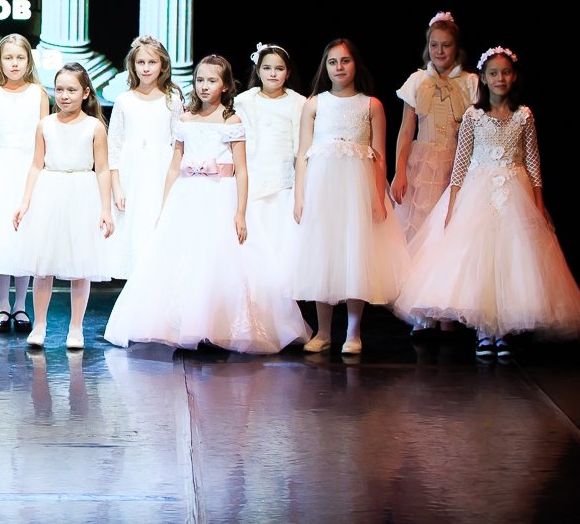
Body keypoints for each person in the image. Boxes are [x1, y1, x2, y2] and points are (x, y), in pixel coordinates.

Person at [394, 47, 580, 358]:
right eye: (493, 73)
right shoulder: (474, 116)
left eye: (505, 72)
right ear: (484, 79)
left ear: (514, 77)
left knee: (510, 260)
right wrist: (453, 205)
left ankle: (501, 332)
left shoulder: (523, 116)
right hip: (478, 192)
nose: (500, 78)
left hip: (514, 193)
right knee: (481, 261)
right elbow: (461, 165)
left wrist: (538, 205)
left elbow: (533, 164)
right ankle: (484, 332)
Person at [104, 55, 309, 354]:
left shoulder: (232, 121)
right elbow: (174, 167)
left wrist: (240, 212)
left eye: (212, 80)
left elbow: (242, 170)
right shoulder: (186, 120)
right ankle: (183, 324)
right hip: (187, 196)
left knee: (218, 260)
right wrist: (165, 207)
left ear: (225, 86)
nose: (204, 86)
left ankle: (217, 325)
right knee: (186, 257)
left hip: (220, 196)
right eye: (200, 80)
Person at [292, 39, 410, 355]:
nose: (339, 67)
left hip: (358, 189)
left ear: (355, 64)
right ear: (325, 67)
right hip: (323, 188)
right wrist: (299, 196)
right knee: (324, 254)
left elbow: (380, 156)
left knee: (357, 253)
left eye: (345, 61)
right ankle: (323, 332)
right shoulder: (314, 104)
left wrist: (377, 198)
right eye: (333, 62)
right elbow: (302, 154)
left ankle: (353, 333)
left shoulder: (371, 105)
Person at [11, 63, 115, 350]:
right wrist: (25, 201)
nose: (65, 96)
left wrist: (106, 209)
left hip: (82, 193)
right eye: (59, 89)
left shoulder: (94, 127)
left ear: (85, 93)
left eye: (72, 90)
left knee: (80, 263)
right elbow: (36, 165)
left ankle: (76, 328)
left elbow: (102, 169)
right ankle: (40, 325)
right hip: (50, 191)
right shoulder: (45, 125)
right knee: (42, 264)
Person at [390, 12, 479, 280]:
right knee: (420, 225)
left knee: (451, 226)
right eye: (434, 45)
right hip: (424, 162)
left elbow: (478, 129)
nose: (439, 51)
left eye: (446, 45)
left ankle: (444, 292)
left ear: (457, 47)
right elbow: (406, 131)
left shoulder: (470, 82)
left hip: (458, 163)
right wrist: (400, 171)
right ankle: (417, 294)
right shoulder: (418, 81)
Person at [0, 33, 50, 336]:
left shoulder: (38, 93)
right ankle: (3, 304)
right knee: (2, 238)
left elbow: (45, 136)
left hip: (28, 169)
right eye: (8, 58)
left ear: (28, 61)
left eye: (20, 58)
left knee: (24, 236)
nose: (14, 63)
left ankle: (21, 305)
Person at [107, 35, 182, 278]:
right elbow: (114, 146)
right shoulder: (124, 100)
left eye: (152, 62)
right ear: (133, 65)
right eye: (141, 62)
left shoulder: (172, 101)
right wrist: (116, 187)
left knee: (155, 225)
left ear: (162, 65)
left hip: (161, 172)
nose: (146, 68)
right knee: (133, 228)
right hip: (131, 174)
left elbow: (179, 145)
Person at [235, 43, 306, 263]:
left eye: (279, 68)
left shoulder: (298, 103)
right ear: (258, 71)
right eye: (267, 68)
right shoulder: (244, 102)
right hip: (252, 179)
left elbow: (301, 149)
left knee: (281, 242)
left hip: (284, 183)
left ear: (288, 72)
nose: (273, 73)